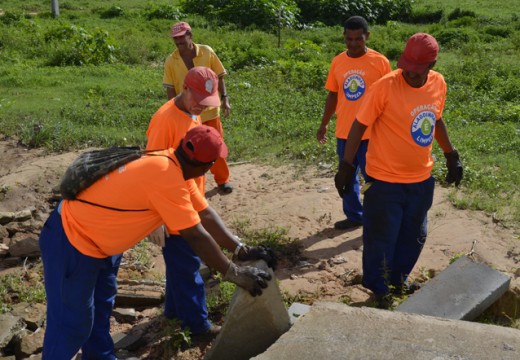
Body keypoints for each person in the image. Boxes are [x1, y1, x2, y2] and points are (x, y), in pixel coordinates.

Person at [39, 89, 275, 359]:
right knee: (71, 324)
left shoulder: (173, 164)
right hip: (72, 241)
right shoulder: (166, 177)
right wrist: (234, 273)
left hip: (102, 246)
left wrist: (240, 248)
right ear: (206, 165)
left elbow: (205, 214)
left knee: (100, 311)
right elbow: (196, 235)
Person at [334, 33, 463, 308]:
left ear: (432, 65)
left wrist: (451, 154)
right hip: (383, 181)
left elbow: (435, 119)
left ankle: (398, 279)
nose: (412, 75)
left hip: (421, 180)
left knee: (414, 236)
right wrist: (346, 166)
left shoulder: (438, 83)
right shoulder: (384, 87)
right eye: (408, 69)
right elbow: (358, 125)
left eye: (419, 71)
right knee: (381, 238)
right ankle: (379, 289)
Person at [146, 66, 219, 338]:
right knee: (188, 267)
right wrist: (158, 217)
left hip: (188, 198)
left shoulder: (192, 112)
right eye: (199, 100)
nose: (202, 106)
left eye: (207, 103)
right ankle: (198, 327)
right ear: (184, 89)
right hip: (172, 208)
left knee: (179, 265)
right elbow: (150, 168)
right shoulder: (165, 121)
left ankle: (174, 312)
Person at [317, 16, 391, 230]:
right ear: (344, 37)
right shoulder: (338, 61)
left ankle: (376, 218)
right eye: (349, 39)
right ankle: (355, 216)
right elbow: (332, 95)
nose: (353, 43)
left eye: (358, 39)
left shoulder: (380, 62)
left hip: (372, 134)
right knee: (347, 176)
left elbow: (390, 97)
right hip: (344, 133)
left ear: (367, 36)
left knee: (374, 179)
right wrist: (324, 124)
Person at [163, 21, 233, 194]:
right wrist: (175, 111)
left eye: (181, 38)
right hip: (188, 113)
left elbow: (219, 76)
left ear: (190, 35)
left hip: (209, 111)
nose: (178, 42)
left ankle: (222, 180)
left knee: (216, 145)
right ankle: (191, 185)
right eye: (175, 39)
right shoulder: (171, 61)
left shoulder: (207, 52)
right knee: (190, 150)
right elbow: (171, 88)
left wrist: (225, 99)